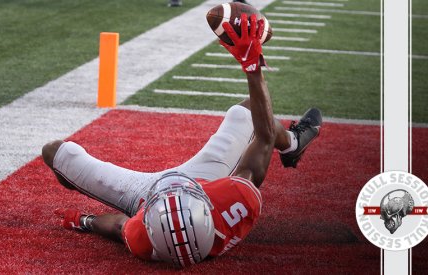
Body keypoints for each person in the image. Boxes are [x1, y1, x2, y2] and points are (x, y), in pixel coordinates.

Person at [43, 14, 322, 267]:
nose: (172, 181)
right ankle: (293, 144)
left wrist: (84, 220)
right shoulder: (236, 202)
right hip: (204, 180)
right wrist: (252, 67)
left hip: (144, 194)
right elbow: (263, 136)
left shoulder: (143, 238)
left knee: (56, 153)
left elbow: (118, 225)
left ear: (147, 219)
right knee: (250, 110)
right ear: (208, 210)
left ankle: (84, 179)